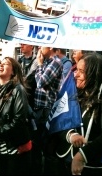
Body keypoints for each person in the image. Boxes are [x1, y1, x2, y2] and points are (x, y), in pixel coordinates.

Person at [49, 52, 102, 175]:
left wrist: (82, 155)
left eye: (81, 71)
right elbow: (58, 121)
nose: (76, 75)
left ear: (94, 74)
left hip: (91, 167)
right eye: (77, 70)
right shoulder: (72, 95)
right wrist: (70, 135)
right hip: (64, 162)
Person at [33, 46, 63, 175]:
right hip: (39, 109)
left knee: (47, 148)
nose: (38, 47)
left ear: (50, 46)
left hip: (46, 110)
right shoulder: (45, 62)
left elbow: (40, 82)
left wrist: (39, 65)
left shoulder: (56, 62)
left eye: (41, 45)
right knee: (38, 147)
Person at [18, 43, 38, 109]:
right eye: (20, 44)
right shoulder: (19, 61)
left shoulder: (37, 60)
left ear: (31, 46)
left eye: (24, 44)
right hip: (21, 95)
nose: (21, 46)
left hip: (33, 95)